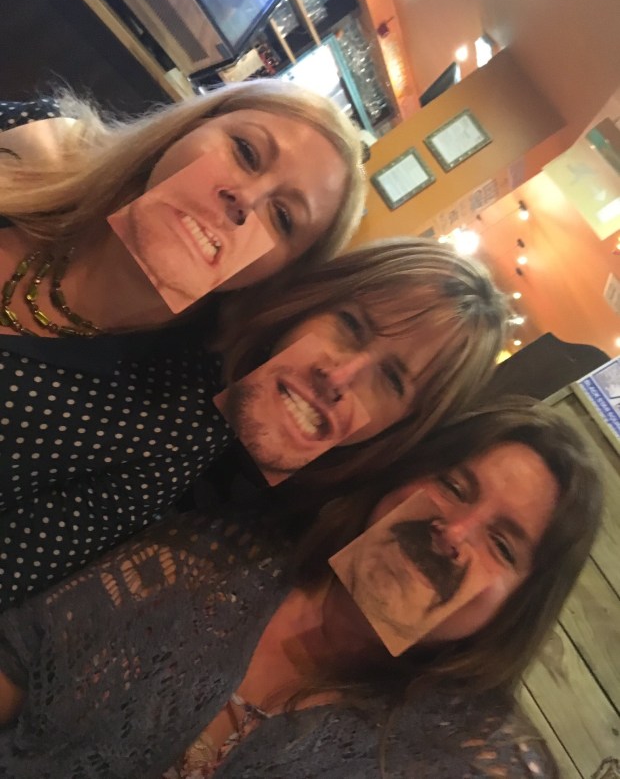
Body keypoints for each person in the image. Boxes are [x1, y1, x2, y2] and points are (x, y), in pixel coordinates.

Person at [0, 398, 602, 778]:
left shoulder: (474, 761)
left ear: (520, 605)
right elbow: (19, 660)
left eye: (502, 545)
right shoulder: (207, 558)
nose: (454, 532)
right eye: (454, 486)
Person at [0, 239, 509, 608]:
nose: (339, 376)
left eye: (392, 380)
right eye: (351, 325)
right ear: (312, 300)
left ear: (400, 429)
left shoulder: (295, 551)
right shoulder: (158, 354)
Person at [0, 80, 365, 335]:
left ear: (278, 274)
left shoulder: (169, 408)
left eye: (283, 217)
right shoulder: (36, 138)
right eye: (246, 152)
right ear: (192, 126)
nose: (246, 199)